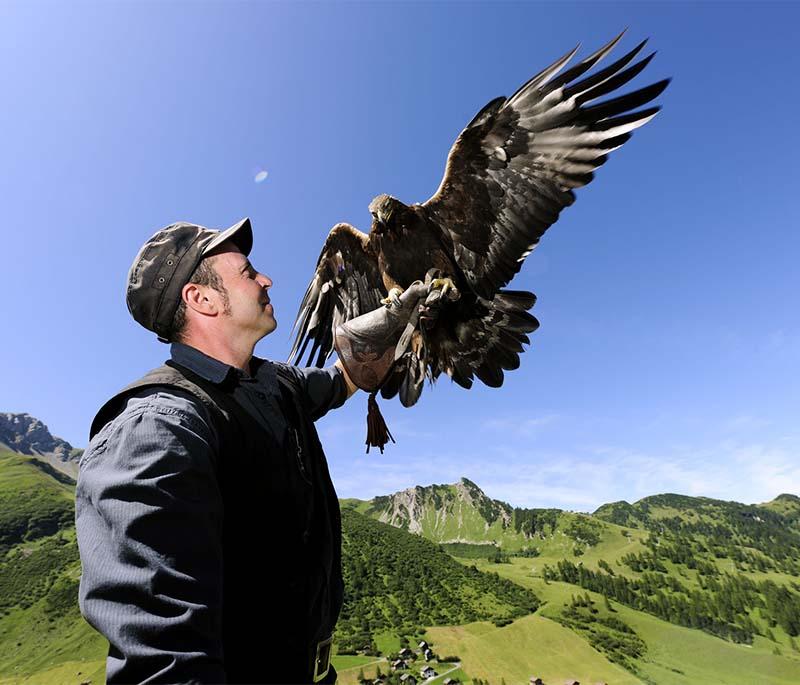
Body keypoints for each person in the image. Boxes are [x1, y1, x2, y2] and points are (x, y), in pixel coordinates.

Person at [75, 218, 427, 684]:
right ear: (201, 299)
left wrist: (385, 333)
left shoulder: (273, 384)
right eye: (248, 271)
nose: (267, 279)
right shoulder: (158, 429)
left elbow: (341, 379)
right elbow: (166, 664)